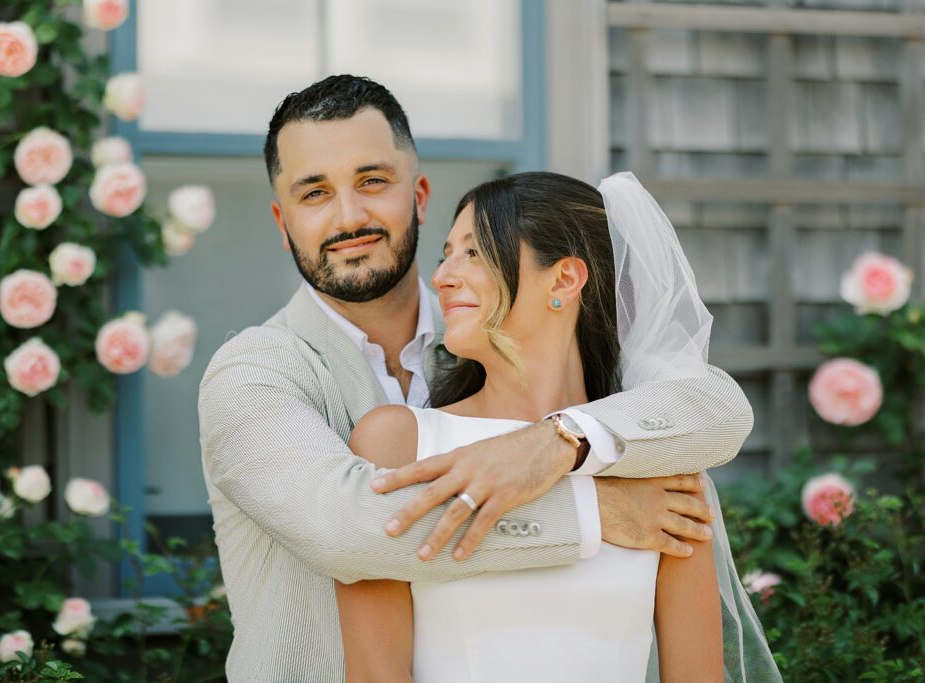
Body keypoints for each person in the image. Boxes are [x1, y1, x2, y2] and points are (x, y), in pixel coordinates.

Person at [197, 75, 755, 682]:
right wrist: (597, 512)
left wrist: (554, 443)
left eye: (372, 181)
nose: (349, 215)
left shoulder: (497, 332)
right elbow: (349, 530)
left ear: (419, 194)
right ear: (282, 223)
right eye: (314, 194)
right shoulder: (253, 375)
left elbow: (716, 408)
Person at [337, 171, 780, 682]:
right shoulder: (399, 441)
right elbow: (374, 673)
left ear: (565, 280)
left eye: (474, 252)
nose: (442, 276)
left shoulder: (654, 462)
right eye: (446, 255)